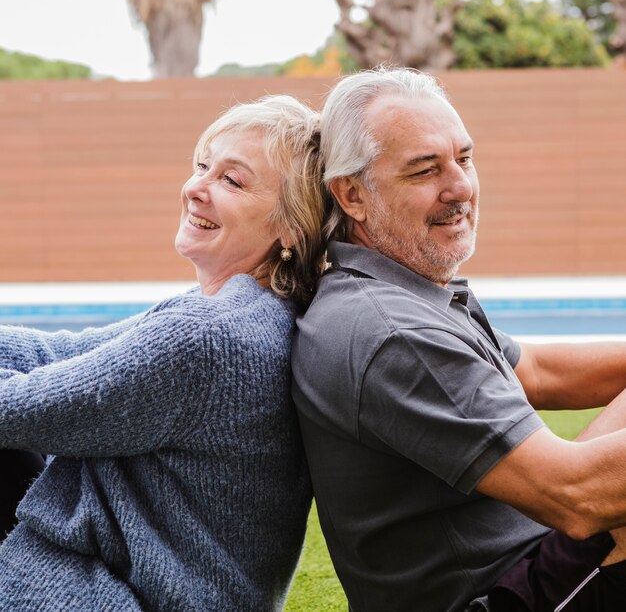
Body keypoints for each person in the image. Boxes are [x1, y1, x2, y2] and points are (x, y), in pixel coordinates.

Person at [291, 67, 626, 612]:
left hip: (528, 557)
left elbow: (537, 371)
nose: (461, 187)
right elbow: (578, 495)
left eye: (464, 159)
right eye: (425, 170)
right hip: (496, 596)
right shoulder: (390, 331)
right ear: (351, 194)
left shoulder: (397, 289)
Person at [0, 94, 325, 611]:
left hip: (93, 592)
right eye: (202, 166)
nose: (195, 188)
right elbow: (62, 352)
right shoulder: (250, 312)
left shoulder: (211, 337)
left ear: (291, 227)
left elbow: (20, 408)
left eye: (231, 180)